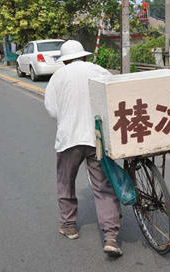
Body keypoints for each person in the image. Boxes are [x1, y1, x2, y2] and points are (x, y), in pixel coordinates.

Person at [44, 40, 123, 257]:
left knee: (65, 182)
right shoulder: (99, 70)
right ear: (85, 56)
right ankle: (111, 237)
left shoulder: (57, 77)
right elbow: (114, 97)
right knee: (103, 187)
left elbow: (52, 110)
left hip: (69, 139)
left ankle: (69, 226)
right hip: (96, 138)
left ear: (65, 60)